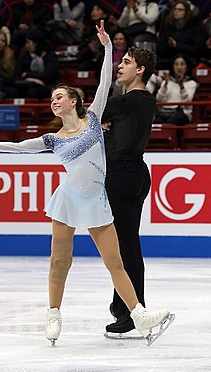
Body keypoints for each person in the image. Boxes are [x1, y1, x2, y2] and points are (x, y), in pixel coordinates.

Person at [0, 21, 174, 346]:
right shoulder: (52, 139)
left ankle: (139, 315)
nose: (53, 101)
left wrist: (106, 47)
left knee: (115, 262)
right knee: (60, 261)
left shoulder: (93, 120)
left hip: (97, 200)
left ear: (74, 101)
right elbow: (17, 148)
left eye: (59, 96)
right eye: (51, 99)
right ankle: (54, 313)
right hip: (69, 199)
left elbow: (105, 81)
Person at [101, 46, 159, 336]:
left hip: (122, 175)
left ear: (140, 70)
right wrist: (108, 131)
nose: (119, 66)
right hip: (136, 173)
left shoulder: (124, 101)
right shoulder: (145, 101)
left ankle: (132, 310)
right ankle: (124, 306)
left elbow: (86, 115)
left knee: (123, 246)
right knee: (126, 244)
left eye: (126, 62)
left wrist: (102, 126)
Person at [154, 53, 198, 125]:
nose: (179, 67)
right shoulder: (167, 81)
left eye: (182, 64)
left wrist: (181, 86)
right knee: (155, 123)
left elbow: (186, 102)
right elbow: (159, 99)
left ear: (186, 67)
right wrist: (165, 85)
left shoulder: (192, 83)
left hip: (182, 113)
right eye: (176, 64)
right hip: (164, 112)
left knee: (171, 123)